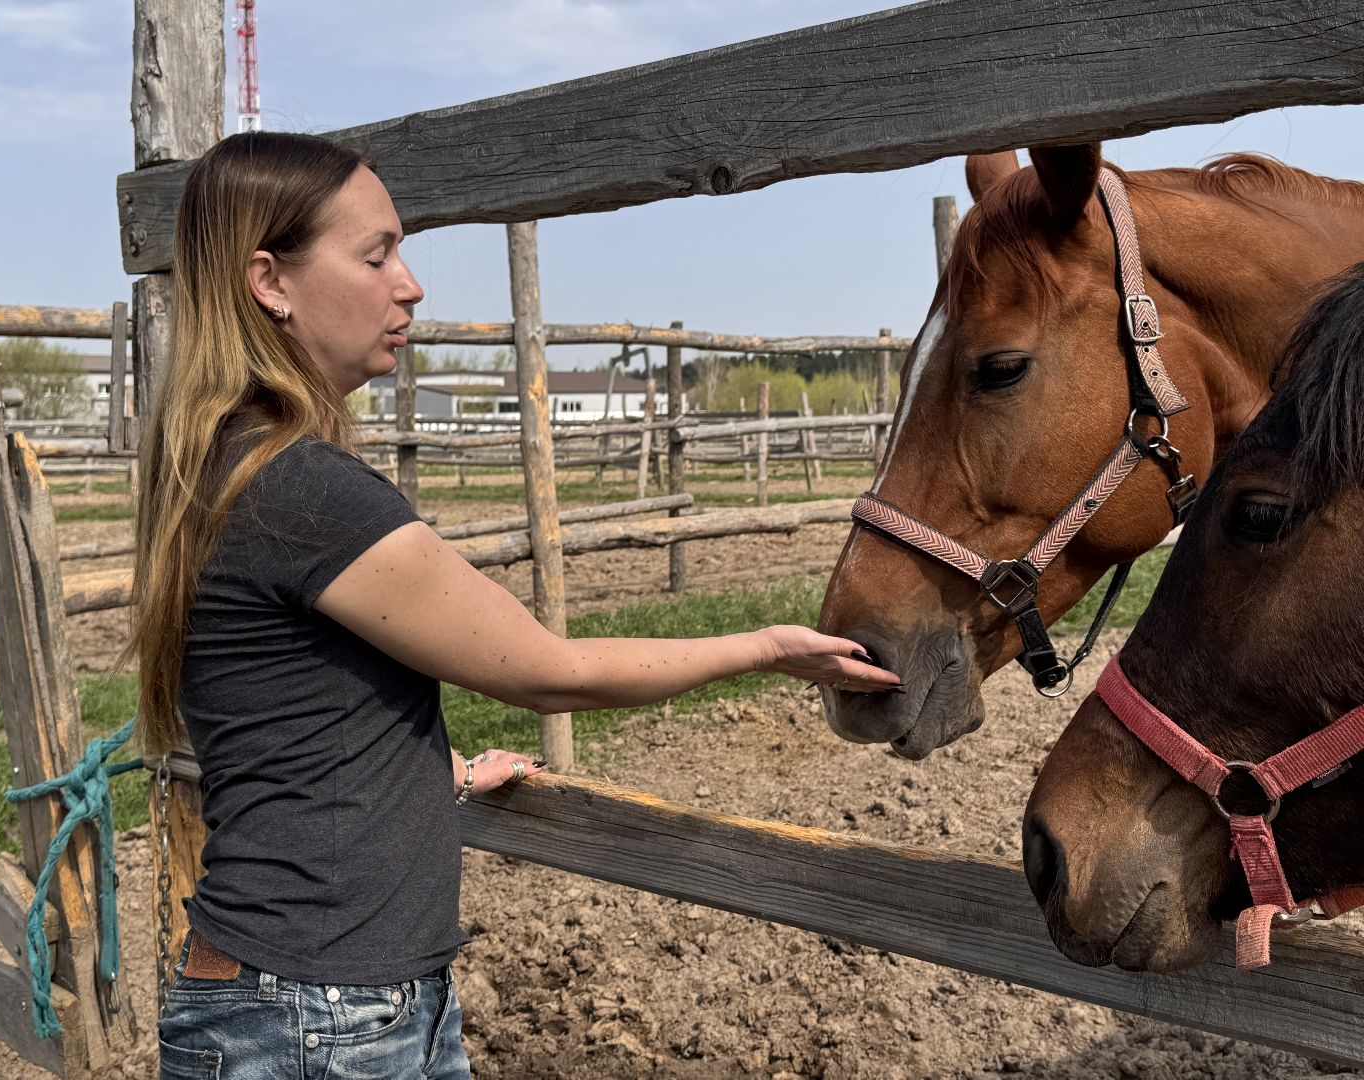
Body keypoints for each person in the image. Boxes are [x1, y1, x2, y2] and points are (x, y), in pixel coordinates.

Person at [134, 130, 900, 1079]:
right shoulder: (308, 492)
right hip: (320, 1016)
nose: (409, 284)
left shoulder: (224, 466)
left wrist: (421, 773)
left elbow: (285, 709)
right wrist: (767, 646)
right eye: (376, 256)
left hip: (310, 995)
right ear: (270, 280)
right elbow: (552, 671)